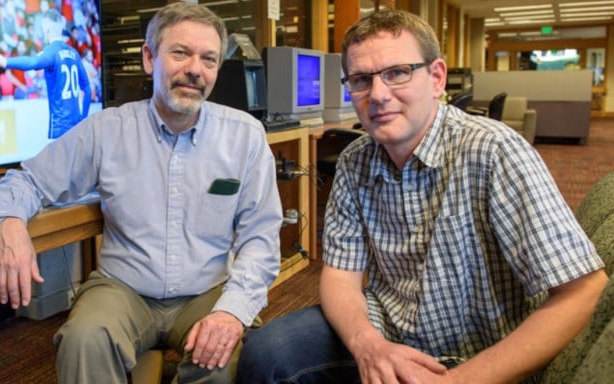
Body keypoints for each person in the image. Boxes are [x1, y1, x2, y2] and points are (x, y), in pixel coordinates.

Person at [238, 9, 608, 384]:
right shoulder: (354, 162)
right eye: (362, 80)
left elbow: (583, 291)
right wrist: (368, 345)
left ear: (436, 78)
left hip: (482, 352)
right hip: (387, 332)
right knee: (265, 352)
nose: (378, 95)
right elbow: (340, 276)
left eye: (397, 73)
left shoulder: (493, 151)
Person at [0, 2, 282, 383]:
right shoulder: (106, 131)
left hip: (207, 290)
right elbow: (25, 180)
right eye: (180, 53)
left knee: (224, 359)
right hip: (123, 289)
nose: (195, 69)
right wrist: (10, 224)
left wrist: (231, 312)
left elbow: (261, 238)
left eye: (208, 59)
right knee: (84, 340)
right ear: (149, 57)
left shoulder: (245, 136)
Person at [0, 8, 91, 139]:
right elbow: (86, 87)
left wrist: (5, 61)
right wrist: (84, 117)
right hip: (77, 127)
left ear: (46, 30)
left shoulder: (51, 51)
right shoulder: (74, 53)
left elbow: (32, 62)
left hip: (60, 130)